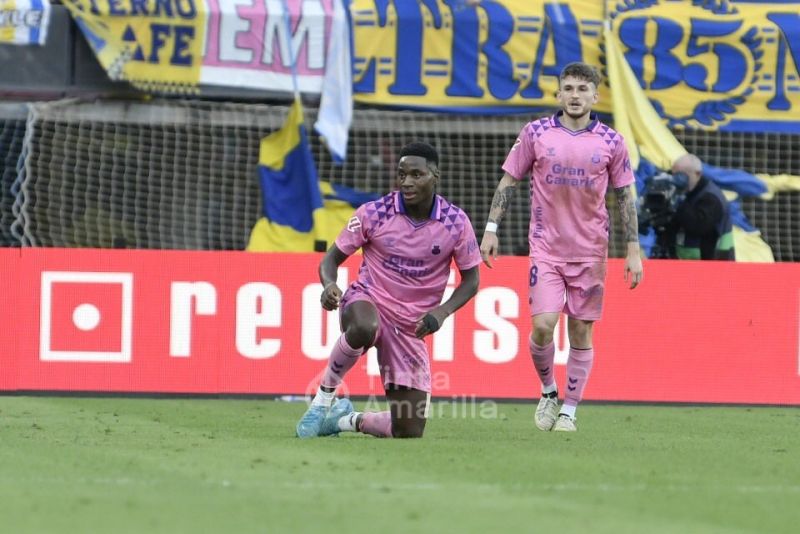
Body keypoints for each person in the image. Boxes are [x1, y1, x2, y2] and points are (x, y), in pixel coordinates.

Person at [480, 62, 643, 432]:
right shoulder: (535, 133)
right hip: (546, 249)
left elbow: (624, 197)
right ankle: (549, 391)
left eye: (582, 89)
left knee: (581, 332)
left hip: (590, 252)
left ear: (595, 96)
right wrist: (491, 229)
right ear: (558, 94)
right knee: (543, 326)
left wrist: (633, 247)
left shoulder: (612, 142)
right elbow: (509, 181)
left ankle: (569, 410)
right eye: (568, 88)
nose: (575, 95)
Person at [295, 141, 481, 439]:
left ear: (435, 176)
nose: (407, 182)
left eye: (416, 175)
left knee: (408, 430)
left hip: (411, 326)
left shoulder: (455, 223)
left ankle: (345, 420)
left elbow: (471, 280)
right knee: (365, 327)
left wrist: (442, 312)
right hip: (368, 300)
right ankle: (322, 400)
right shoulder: (374, 213)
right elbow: (331, 259)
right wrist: (330, 284)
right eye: (402, 174)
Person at [666, 154, 735, 260]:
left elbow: (698, 226)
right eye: (674, 175)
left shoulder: (711, 198)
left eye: (682, 176)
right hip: (686, 264)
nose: (677, 180)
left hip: (713, 265)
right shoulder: (688, 193)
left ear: (698, 174)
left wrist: (678, 201)